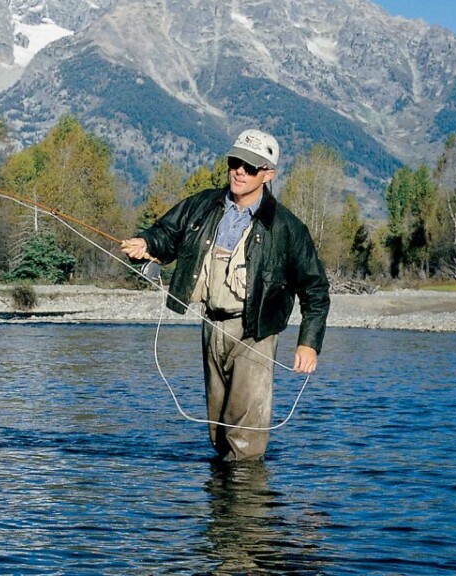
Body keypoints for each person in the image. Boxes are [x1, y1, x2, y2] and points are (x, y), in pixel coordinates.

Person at [121, 129, 330, 460]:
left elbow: (315, 289)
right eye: (235, 162)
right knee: (218, 431)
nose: (240, 171)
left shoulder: (287, 227)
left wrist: (309, 342)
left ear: (268, 175)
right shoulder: (203, 205)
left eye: (250, 167)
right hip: (211, 325)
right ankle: (222, 506)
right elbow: (166, 233)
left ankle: (245, 505)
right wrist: (146, 243)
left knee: (244, 439)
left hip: (256, 333)